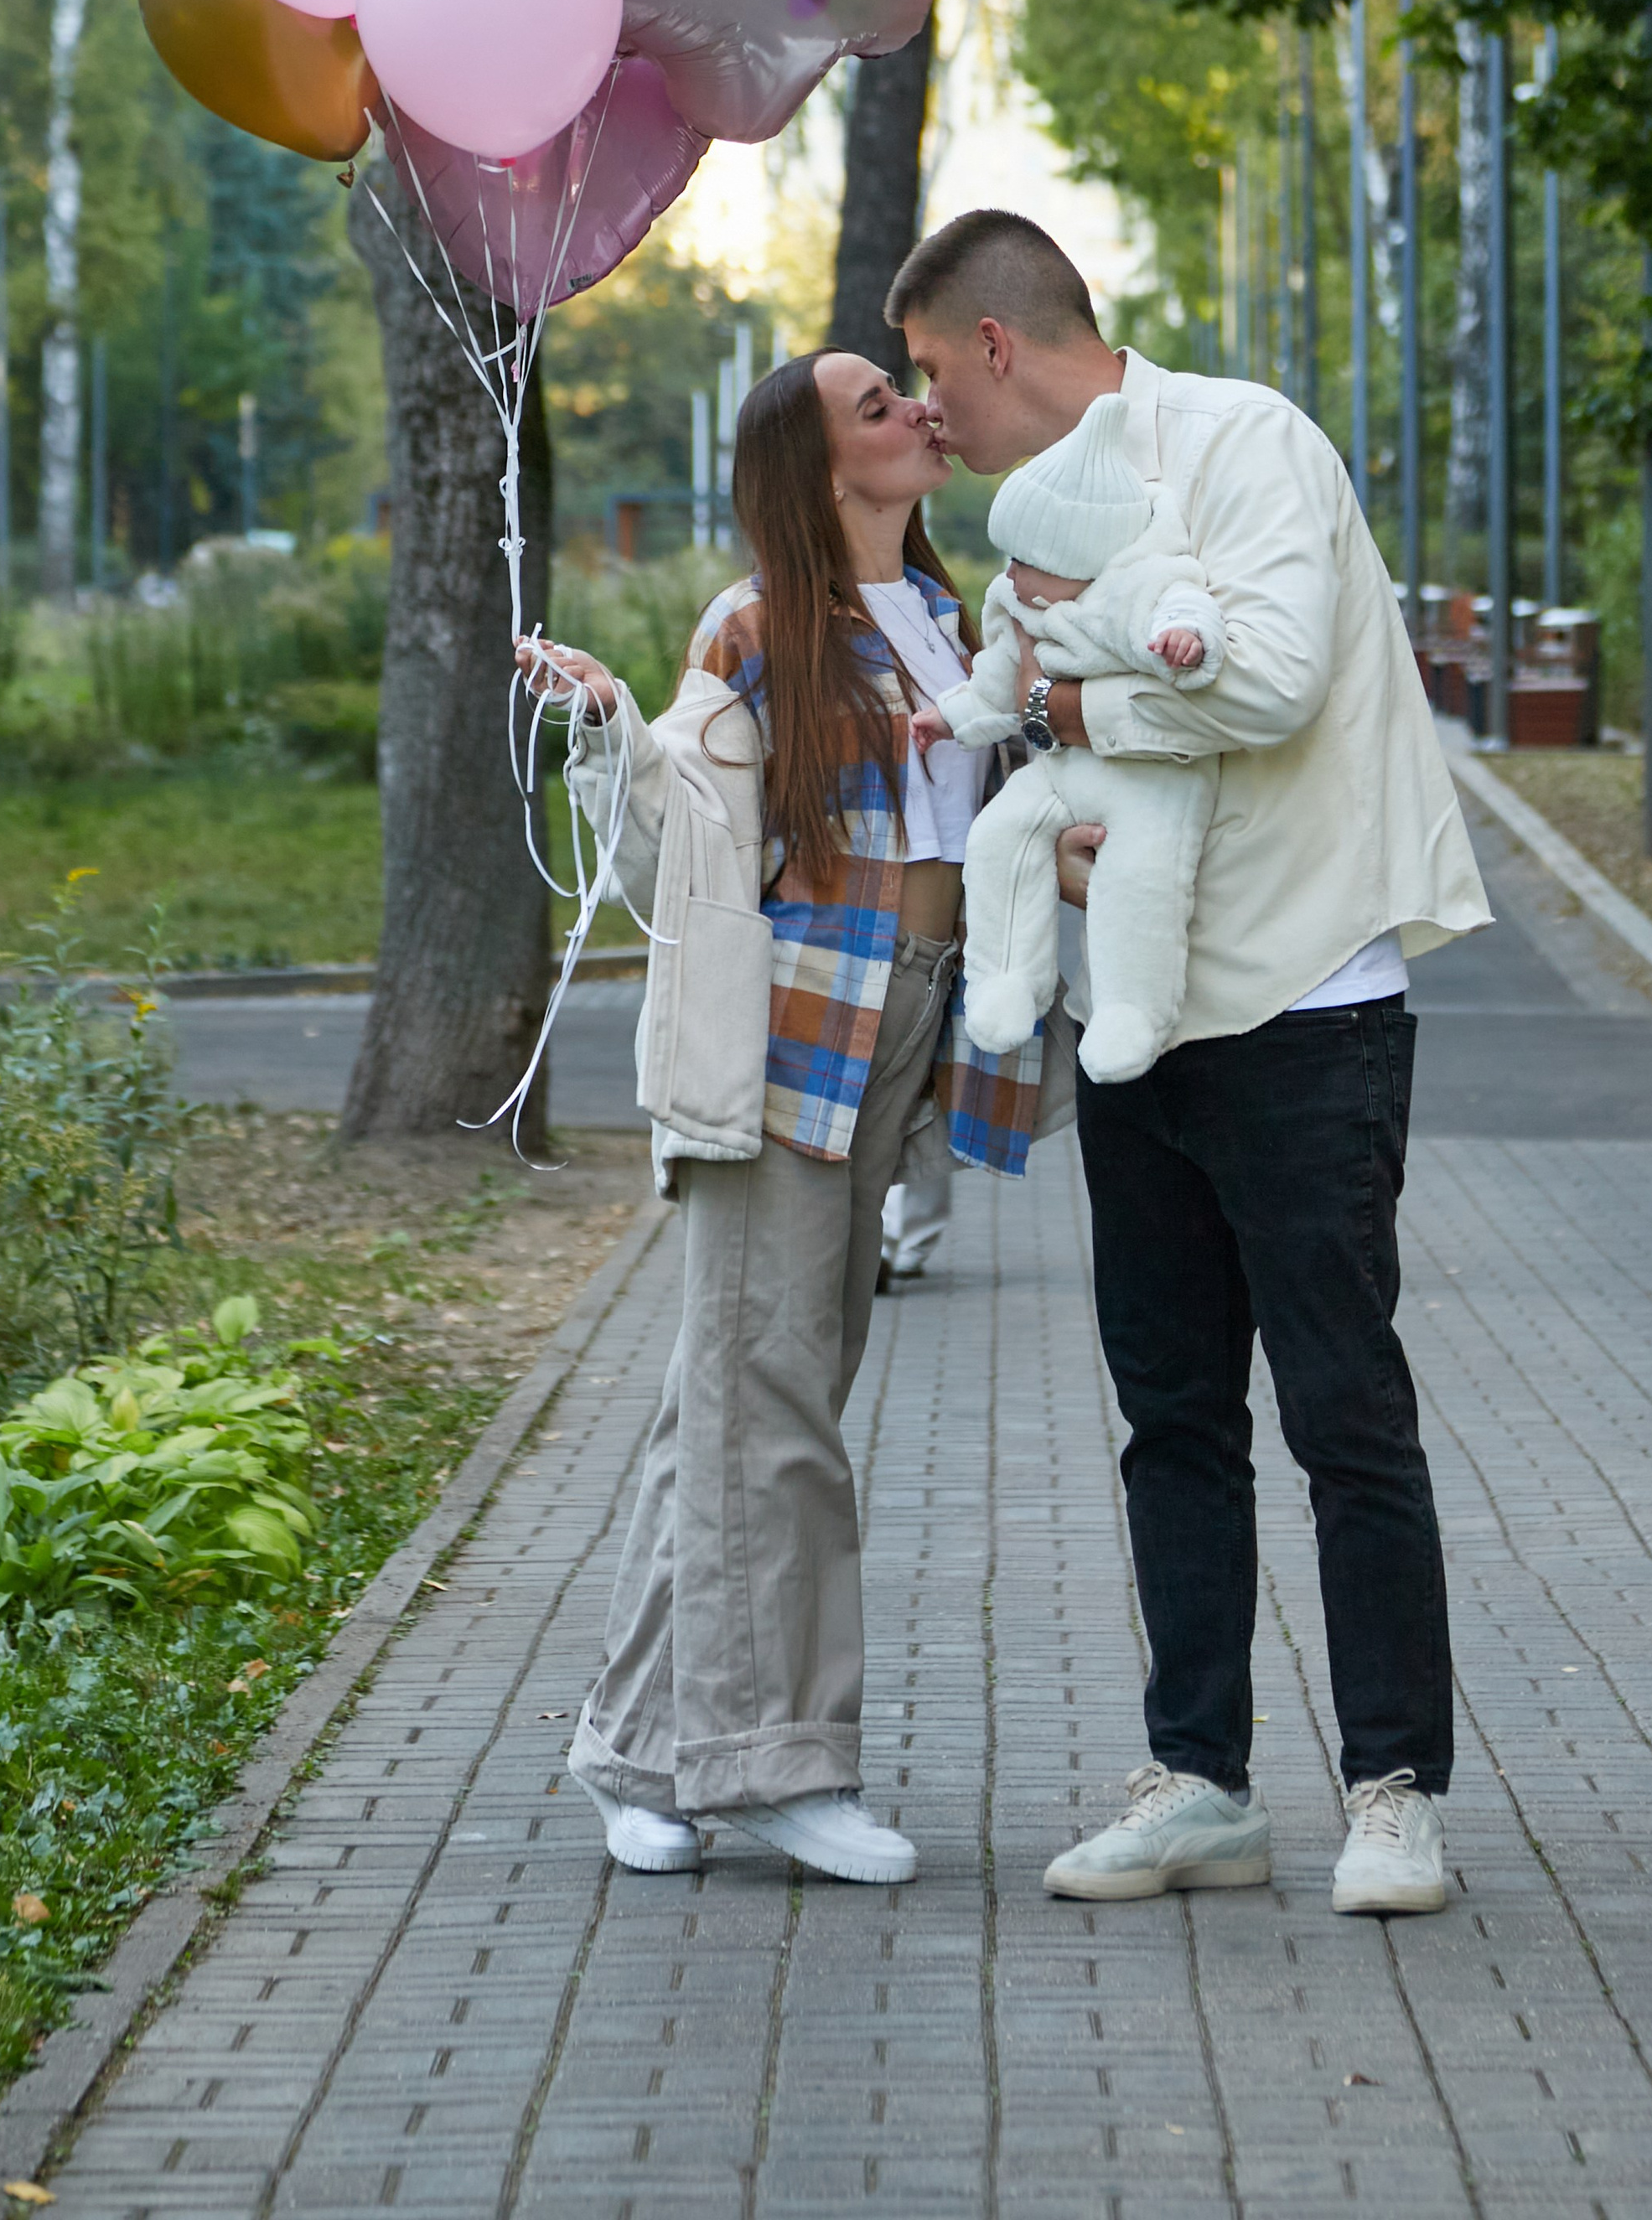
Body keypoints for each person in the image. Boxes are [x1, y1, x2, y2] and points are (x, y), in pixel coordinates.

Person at [891, 210, 1491, 1918]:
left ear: (997, 344)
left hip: (1306, 1005)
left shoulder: (1242, 442)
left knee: (1342, 1413)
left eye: (935, 377)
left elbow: (1277, 682)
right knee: (1169, 1419)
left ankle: (1391, 1793)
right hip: (1132, 1014)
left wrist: (1076, 718)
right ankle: (1201, 1783)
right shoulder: (1028, 544)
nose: (932, 420)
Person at [517, 350, 1075, 1887]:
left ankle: (639, 1751)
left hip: (910, 1017)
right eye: (876, 406)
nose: (915, 412)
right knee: (770, 1407)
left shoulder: (953, 619)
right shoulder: (758, 626)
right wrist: (611, 731)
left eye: (907, 393)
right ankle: (769, 1766)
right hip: (789, 1033)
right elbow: (683, 844)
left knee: (744, 1395)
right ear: (821, 466)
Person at [911, 391, 1230, 1082]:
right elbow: (999, 673)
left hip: (1151, 779)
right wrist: (954, 716)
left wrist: (1186, 638)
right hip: (1060, 770)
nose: (1010, 574)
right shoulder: (1019, 598)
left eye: (1026, 561)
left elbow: (1188, 602)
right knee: (999, 837)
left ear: (1080, 559)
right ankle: (1006, 977)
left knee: (1142, 881)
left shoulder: (1137, 585)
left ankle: (1132, 1008)